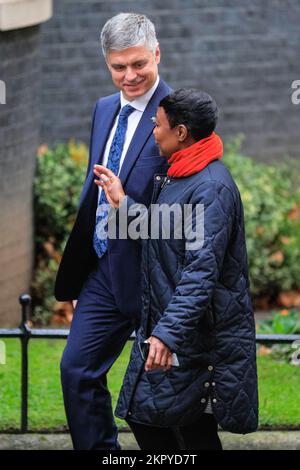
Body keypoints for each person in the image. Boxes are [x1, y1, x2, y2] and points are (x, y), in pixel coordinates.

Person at [94, 88, 259, 450]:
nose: (153, 131)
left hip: (194, 336)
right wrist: (122, 202)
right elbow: (165, 230)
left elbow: (201, 272)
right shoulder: (180, 176)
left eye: (158, 125)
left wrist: (167, 334)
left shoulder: (211, 187)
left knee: (177, 427)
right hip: (174, 328)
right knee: (166, 423)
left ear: (181, 133)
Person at [54, 13, 171, 450]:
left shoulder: (179, 115)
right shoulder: (104, 109)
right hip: (104, 272)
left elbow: (191, 207)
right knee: (77, 371)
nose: (130, 76)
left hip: (156, 277)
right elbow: (94, 193)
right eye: (118, 67)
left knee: (164, 403)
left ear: (157, 53)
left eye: (139, 64)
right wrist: (85, 267)